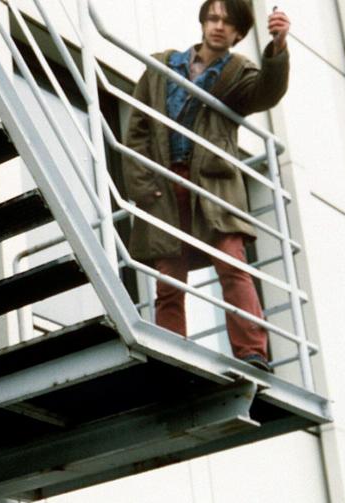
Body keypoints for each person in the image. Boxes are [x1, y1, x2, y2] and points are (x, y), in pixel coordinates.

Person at [121, 0, 290, 372]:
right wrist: (144, 187)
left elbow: (266, 92)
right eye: (213, 18)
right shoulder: (162, 66)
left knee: (232, 263)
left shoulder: (237, 72)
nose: (218, 26)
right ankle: (171, 357)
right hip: (165, 185)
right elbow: (136, 132)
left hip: (215, 186)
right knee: (169, 280)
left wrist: (278, 47)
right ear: (202, 22)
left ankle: (252, 352)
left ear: (238, 33)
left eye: (227, 23)